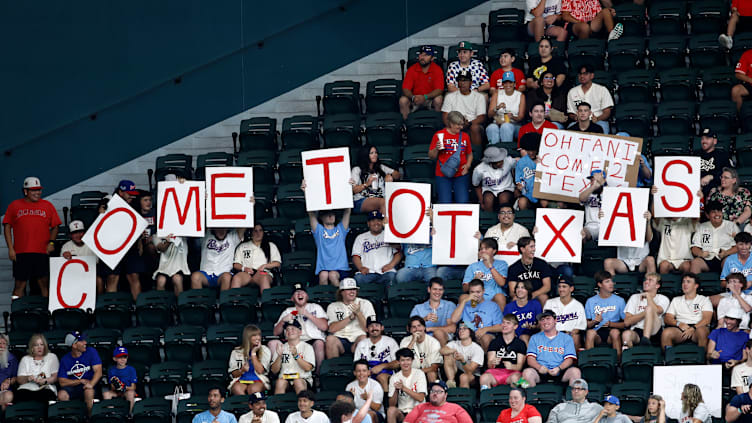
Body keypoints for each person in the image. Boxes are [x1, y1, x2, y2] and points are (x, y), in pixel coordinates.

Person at [3, 176, 62, 297]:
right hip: (21, 252)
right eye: (34, 190)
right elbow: (7, 226)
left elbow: (56, 226)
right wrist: (10, 248)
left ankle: (47, 314)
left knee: (44, 285)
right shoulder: (14, 205)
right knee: (19, 285)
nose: (38, 193)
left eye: (39, 190)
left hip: (41, 252)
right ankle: (15, 313)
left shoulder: (47, 205)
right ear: (25, 191)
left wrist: (51, 243)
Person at [271, 284, 328, 371]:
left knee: (319, 343)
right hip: (292, 341)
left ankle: (318, 374)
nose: (300, 294)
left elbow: (324, 327)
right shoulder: (289, 311)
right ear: (292, 298)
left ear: (307, 296)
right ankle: (276, 373)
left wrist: (308, 314)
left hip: (312, 339)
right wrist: (283, 321)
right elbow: (275, 333)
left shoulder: (315, 307)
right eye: (296, 293)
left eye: (302, 292)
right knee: (273, 343)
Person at [521, 310, 581, 387]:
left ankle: (572, 398)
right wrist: (539, 367)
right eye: (542, 320)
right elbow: (530, 359)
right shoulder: (534, 338)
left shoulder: (566, 338)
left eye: (548, 318)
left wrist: (559, 368)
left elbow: (569, 359)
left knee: (575, 372)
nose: (545, 322)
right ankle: (533, 398)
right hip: (540, 371)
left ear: (555, 320)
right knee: (527, 372)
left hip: (561, 371)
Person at [429, 111, 473, 204]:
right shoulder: (439, 135)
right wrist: (437, 148)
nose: (461, 127)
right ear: (450, 123)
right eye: (458, 125)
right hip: (443, 173)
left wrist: (468, 165)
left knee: (463, 203)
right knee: (445, 203)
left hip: (461, 174)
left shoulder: (465, 136)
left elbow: (469, 153)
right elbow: (431, 156)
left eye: (462, 124)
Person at [326, 278, 377, 358]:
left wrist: (358, 313)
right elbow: (332, 329)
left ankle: (361, 369)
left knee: (363, 339)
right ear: (341, 292)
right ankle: (334, 369)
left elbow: (368, 329)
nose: (352, 292)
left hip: (358, 337)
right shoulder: (333, 306)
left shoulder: (365, 303)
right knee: (330, 339)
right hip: (340, 339)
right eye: (348, 289)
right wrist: (350, 318)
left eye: (354, 289)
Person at [662, 273, 713, 349]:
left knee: (702, 331)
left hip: (697, 327)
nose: (685, 284)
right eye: (683, 282)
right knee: (666, 333)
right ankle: (669, 358)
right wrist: (678, 323)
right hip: (680, 328)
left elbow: (707, 319)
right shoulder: (676, 300)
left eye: (688, 282)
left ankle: (703, 359)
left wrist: (693, 328)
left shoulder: (704, 300)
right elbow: (667, 318)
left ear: (696, 286)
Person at [450, 279, 504, 350]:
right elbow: (453, 320)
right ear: (469, 292)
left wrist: (485, 329)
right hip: (467, 334)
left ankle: (486, 360)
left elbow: (501, 327)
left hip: (486, 334)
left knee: (485, 338)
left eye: (478, 292)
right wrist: (464, 301)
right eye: (472, 292)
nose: (475, 295)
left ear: (483, 291)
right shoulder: (465, 304)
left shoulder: (493, 306)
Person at [57, 331, 102, 414]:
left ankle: (89, 418)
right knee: (61, 394)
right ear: (74, 345)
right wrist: (80, 381)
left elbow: (98, 371)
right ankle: (72, 417)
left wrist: (91, 384)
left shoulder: (91, 351)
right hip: (73, 388)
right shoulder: (65, 359)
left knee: (89, 391)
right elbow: (62, 382)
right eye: (81, 341)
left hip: (90, 385)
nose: (85, 342)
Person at [352, 211, 401, 285]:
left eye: (379, 220)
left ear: (382, 222)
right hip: (368, 272)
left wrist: (390, 265)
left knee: (392, 277)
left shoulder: (389, 235)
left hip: (386, 272)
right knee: (358, 278)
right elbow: (356, 256)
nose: (376, 223)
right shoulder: (361, 237)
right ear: (368, 223)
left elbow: (398, 253)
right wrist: (361, 268)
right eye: (373, 221)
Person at [622, 273, 670, 348]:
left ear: (657, 285)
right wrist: (645, 313)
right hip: (637, 330)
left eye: (650, 280)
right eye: (645, 280)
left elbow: (657, 311)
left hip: (655, 331)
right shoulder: (634, 297)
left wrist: (648, 296)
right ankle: (630, 357)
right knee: (626, 335)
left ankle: (646, 340)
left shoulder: (663, 298)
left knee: (649, 308)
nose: (646, 282)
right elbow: (627, 322)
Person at [585, 271, 626, 357]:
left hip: (612, 330)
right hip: (597, 332)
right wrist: (595, 321)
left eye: (611, 281)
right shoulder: (590, 301)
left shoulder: (620, 300)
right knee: (590, 333)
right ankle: (590, 362)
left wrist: (612, 324)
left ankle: (618, 363)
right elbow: (586, 325)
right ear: (600, 284)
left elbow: (626, 324)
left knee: (615, 332)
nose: (611, 284)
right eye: (607, 281)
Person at [690, 200, 737, 276]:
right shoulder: (702, 226)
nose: (717, 214)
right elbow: (694, 247)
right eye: (713, 212)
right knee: (695, 262)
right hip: (707, 258)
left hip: (724, 257)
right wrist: (701, 253)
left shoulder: (731, 226)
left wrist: (726, 253)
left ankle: (728, 287)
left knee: (728, 262)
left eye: (719, 211)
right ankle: (694, 287)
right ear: (707, 215)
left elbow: (738, 246)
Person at [480, 314, 526, 389]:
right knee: (484, 378)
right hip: (496, 373)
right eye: (503, 323)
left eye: (508, 323)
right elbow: (489, 364)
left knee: (517, 378)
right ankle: (487, 399)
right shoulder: (494, 342)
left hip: (513, 373)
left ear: (515, 326)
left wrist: (512, 366)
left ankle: (516, 399)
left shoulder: (520, 343)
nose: (504, 325)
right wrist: (493, 363)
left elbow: (519, 366)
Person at [307, 207, 351, 287]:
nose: (331, 216)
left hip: (340, 268)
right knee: (323, 275)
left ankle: (341, 297)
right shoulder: (319, 231)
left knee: (332, 275)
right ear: (321, 217)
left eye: (332, 214)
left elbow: (347, 212)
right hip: (323, 267)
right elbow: (311, 214)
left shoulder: (341, 229)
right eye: (327, 214)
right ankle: (325, 298)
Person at [231, 223, 281, 292]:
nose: (258, 233)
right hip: (247, 273)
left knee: (264, 278)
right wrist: (244, 268)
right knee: (236, 278)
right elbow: (236, 264)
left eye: (260, 230)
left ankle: (266, 302)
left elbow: (277, 263)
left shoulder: (270, 245)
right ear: (251, 233)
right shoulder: (243, 246)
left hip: (262, 272)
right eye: (255, 231)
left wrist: (265, 265)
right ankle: (235, 301)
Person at [351, 144, 400, 215]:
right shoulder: (357, 169)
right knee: (383, 202)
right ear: (365, 155)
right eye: (371, 153)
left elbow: (398, 175)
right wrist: (367, 183)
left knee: (393, 202)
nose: (375, 155)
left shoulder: (380, 167)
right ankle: (387, 225)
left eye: (376, 152)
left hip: (380, 198)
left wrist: (389, 176)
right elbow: (354, 190)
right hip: (361, 201)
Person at [603, 210, 655, 275]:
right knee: (608, 262)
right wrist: (604, 218)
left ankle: (652, 284)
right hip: (624, 260)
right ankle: (612, 284)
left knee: (650, 260)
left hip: (641, 260)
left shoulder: (642, 216)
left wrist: (648, 222)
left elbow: (649, 239)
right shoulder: (619, 218)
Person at [353, 317, 399, 391]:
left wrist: (382, 366)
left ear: (382, 328)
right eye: (371, 326)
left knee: (381, 377)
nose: (374, 328)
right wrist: (366, 372)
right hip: (366, 372)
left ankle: (385, 401)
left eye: (377, 325)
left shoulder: (390, 342)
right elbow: (357, 365)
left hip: (386, 372)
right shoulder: (362, 344)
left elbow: (397, 363)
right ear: (367, 329)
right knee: (354, 384)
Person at [442, 70, 486, 146]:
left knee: (475, 128)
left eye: (465, 80)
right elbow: (445, 117)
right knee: (446, 129)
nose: (462, 83)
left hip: (471, 123)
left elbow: (481, 117)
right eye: (460, 80)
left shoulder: (479, 97)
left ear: (471, 83)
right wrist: (455, 125)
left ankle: (476, 153)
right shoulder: (450, 96)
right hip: (455, 124)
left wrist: (469, 123)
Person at [400, 45, 444, 120]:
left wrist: (425, 97)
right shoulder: (412, 69)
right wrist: (413, 97)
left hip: (430, 99)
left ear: (432, 58)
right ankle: (406, 125)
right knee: (403, 100)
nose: (422, 57)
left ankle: (438, 124)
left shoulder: (437, 69)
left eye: (426, 55)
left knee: (439, 99)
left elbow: (439, 90)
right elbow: (405, 89)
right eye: (421, 54)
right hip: (415, 99)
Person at [567, 65, 615, 134]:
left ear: (592, 76)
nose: (582, 76)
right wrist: (575, 117)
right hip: (579, 122)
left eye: (585, 74)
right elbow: (571, 112)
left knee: (602, 129)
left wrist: (598, 119)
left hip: (598, 121)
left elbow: (607, 112)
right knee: (569, 130)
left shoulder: (602, 89)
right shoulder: (572, 91)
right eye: (580, 74)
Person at [271, 320, 315, 394]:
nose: (289, 331)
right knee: (280, 382)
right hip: (284, 378)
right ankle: (278, 405)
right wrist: (279, 357)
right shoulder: (281, 347)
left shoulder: (307, 347)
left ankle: (302, 403)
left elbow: (308, 368)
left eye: (293, 329)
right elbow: (274, 371)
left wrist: (296, 355)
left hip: (302, 378)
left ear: (300, 332)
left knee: (298, 381)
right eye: (287, 329)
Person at [463, 238, 509, 310]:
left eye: (486, 248)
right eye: (481, 249)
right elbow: (465, 288)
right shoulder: (473, 266)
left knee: (500, 297)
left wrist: (489, 264)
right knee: (463, 297)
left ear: (494, 251)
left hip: (494, 297)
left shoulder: (502, 264)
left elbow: (502, 283)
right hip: (476, 298)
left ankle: (500, 321)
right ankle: (468, 320)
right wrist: (474, 280)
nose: (483, 251)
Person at [544, 275, 587, 350]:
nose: (561, 289)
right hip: (554, 334)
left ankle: (573, 360)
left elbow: (580, 327)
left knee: (576, 337)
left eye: (564, 287)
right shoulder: (550, 303)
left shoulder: (578, 305)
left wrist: (568, 333)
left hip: (570, 335)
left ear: (571, 288)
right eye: (559, 287)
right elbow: (545, 323)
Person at [410, 278, 457, 346]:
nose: (437, 292)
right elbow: (410, 328)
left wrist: (429, 329)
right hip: (423, 338)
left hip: (443, 338)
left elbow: (452, 328)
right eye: (435, 289)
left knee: (438, 333)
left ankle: (443, 356)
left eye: (440, 290)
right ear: (429, 289)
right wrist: (424, 319)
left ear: (443, 291)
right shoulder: (418, 308)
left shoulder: (449, 305)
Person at [229, 324, 273, 396]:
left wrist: (253, 353)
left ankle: (252, 406)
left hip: (259, 380)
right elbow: (234, 374)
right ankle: (247, 406)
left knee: (253, 389)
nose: (257, 338)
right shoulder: (236, 352)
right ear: (247, 337)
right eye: (254, 335)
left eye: (259, 335)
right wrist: (242, 370)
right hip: (241, 380)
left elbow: (260, 371)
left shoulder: (265, 350)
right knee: (237, 388)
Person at [60, 220, 103, 292]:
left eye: (80, 232)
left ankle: (99, 301)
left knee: (99, 280)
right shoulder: (66, 246)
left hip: (90, 273)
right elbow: (61, 265)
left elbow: (96, 264)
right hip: (72, 274)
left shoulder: (92, 244)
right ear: (70, 235)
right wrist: (64, 256)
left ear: (84, 233)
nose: (78, 235)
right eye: (75, 233)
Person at [403, 380, 474, 423]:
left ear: (445, 395)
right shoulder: (419, 407)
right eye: (433, 391)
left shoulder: (456, 409)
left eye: (439, 391)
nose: (435, 394)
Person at [508, 237, 553, 305]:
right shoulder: (514, 268)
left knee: (543, 297)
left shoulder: (541, 264)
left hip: (538, 294)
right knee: (515, 299)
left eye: (534, 246)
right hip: (521, 296)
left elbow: (547, 286)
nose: (534, 249)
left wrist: (533, 295)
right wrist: (523, 296)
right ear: (522, 249)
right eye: (531, 247)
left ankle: (544, 316)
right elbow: (512, 291)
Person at [15, 333, 58, 403]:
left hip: (46, 388)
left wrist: (45, 381)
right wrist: (27, 378)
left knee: (47, 394)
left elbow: (55, 377)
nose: (39, 347)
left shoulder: (52, 357)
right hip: (28, 388)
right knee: (20, 395)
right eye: (36, 345)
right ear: (32, 348)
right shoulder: (25, 359)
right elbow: (19, 379)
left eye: (42, 344)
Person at [387, 348, 427, 423]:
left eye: (408, 360)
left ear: (412, 360)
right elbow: (391, 404)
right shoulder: (394, 377)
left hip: (418, 412)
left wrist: (403, 388)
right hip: (403, 412)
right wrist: (396, 390)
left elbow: (421, 398)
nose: (405, 363)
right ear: (398, 362)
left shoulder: (419, 374)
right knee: (391, 410)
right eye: (402, 360)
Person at [399, 317, 442, 384]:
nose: (417, 329)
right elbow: (403, 359)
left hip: (427, 371)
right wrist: (413, 341)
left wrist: (418, 373)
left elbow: (434, 367)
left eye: (419, 326)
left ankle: (433, 393)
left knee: (431, 373)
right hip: (409, 372)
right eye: (414, 327)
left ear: (424, 327)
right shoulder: (405, 341)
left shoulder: (433, 342)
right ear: (410, 330)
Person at [440, 322, 484, 388]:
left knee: (464, 377)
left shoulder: (477, 349)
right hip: (456, 373)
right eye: (460, 329)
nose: (461, 331)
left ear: (470, 332)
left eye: (464, 329)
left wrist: (463, 361)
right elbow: (442, 351)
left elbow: (470, 370)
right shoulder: (454, 343)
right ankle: (451, 382)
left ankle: (464, 397)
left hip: (473, 376)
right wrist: (453, 351)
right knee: (447, 353)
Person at [487, 71, 526, 145]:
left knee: (506, 126)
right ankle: (493, 151)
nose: (508, 85)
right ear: (503, 84)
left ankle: (506, 151)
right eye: (505, 83)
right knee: (491, 127)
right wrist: (497, 108)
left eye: (510, 83)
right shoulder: (497, 93)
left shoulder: (520, 95)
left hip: (514, 124)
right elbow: (490, 114)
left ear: (514, 84)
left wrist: (512, 117)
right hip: (498, 122)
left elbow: (521, 117)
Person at [473, 146, 517, 211]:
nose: (500, 163)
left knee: (503, 198)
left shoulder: (508, 161)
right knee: (488, 200)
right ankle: (489, 219)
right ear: (490, 162)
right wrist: (482, 202)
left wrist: (517, 186)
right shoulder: (479, 169)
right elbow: (476, 185)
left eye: (501, 160)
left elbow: (520, 165)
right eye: (497, 162)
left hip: (507, 188)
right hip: (489, 190)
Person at [698, 129, 732, 197]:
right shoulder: (695, 155)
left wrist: (711, 176)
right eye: (702, 139)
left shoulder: (722, 156)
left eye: (707, 138)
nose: (704, 141)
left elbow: (729, 173)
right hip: (696, 190)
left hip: (716, 191)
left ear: (715, 141)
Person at [102, 347, 137, 413]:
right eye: (120, 357)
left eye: (124, 357)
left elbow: (133, 387)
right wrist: (117, 388)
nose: (123, 359)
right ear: (114, 359)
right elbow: (112, 386)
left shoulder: (131, 369)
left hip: (127, 391)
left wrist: (124, 387)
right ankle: (111, 413)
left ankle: (129, 414)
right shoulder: (111, 370)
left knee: (130, 393)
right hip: (116, 392)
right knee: (106, 394)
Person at [515, 134, 542, 210]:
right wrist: (519, 185)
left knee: (544, 203)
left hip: (542, 194)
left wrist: (540, 164)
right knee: (522, 202)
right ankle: (525, 221)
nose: (531, 153)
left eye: (533, 150)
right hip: (528, 194)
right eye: (528, 150)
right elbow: (518, 179)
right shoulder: (521, 162)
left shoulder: (545, 160)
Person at [0, 334, 17, 409]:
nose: (1, 346)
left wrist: (8, 381)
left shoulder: (12, 359)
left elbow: (16, 377)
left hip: (5, 390)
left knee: (8, 396)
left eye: (4, 343)